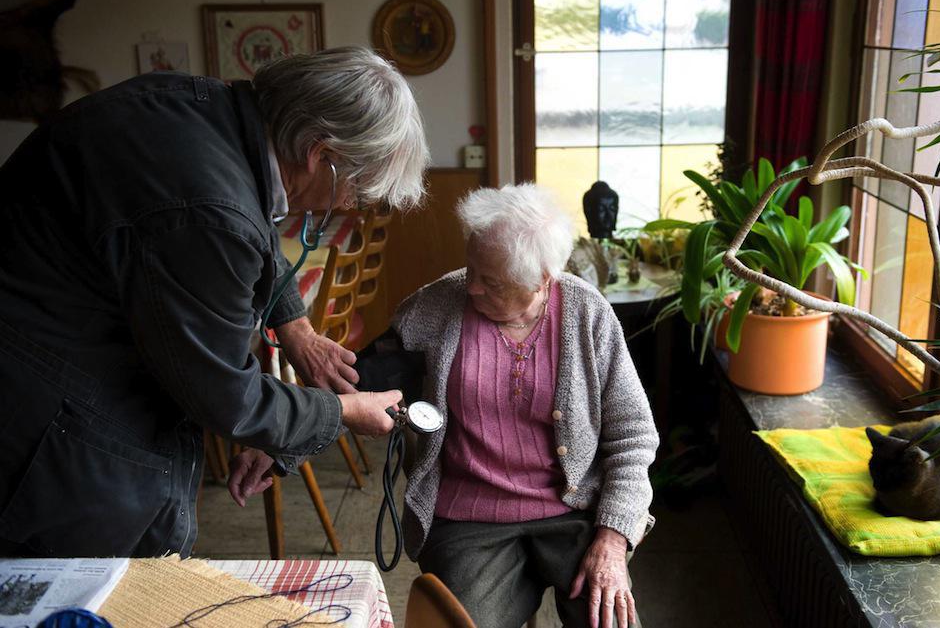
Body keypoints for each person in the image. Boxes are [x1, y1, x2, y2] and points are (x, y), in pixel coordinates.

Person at [0, 46, 429, 558]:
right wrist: (340, 412)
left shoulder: (207, 112)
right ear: (319, 153)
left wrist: (295, 327)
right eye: (355, 188)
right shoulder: (209, 211)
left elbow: (250, 223)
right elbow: (229, 398)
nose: (349, 205)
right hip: (47, 421)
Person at [233, 184, 658, 627]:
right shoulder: (436, 307)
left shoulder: (587, 314)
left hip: (575, 512)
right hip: (469, 517)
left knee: (610, 620)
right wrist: (282, 441)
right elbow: (361, 387)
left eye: (490, 281)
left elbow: (633, 435)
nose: (470, 286)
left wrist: (612, 537)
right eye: (471, 266)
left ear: (542, 280)